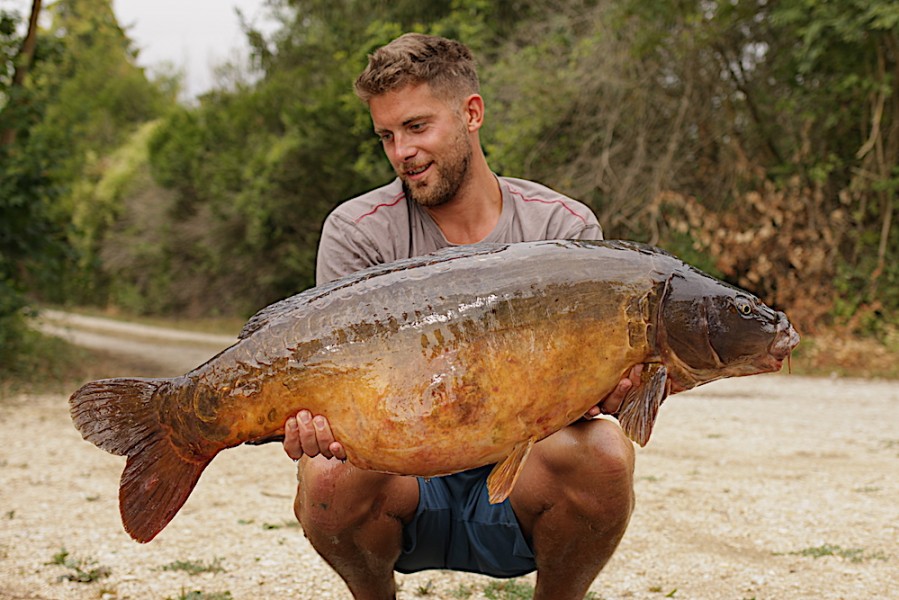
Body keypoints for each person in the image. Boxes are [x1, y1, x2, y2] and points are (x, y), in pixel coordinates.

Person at [282, 33, 641, 600]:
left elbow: (594, 395)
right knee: (327, 475)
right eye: (387, 135)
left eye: (417, 127)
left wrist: (611, 387)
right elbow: (337, 379)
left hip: (524, 486)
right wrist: (318, 418)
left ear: (471, 113)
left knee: (604, 453)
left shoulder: (564, 232)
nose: (401, 151)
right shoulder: (357, 232)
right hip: (405, 487)